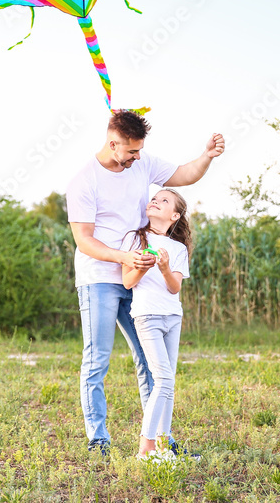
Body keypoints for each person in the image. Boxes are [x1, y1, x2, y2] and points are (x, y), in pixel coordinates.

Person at [66, 109, 224, 456]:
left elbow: (184, 174)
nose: (138, 159)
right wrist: (124, 257)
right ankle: (98, 440)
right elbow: (85, 241)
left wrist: (207, 157)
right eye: (132, 152)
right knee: (97, 360)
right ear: (113, 144)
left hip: (140, 281)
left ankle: (158, 441)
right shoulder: (84, 181)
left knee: (151, 363)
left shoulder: (141, 161)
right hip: (99, 279)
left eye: (140, 152)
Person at [121, 188, 192, 461]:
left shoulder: (177, 248)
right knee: (162, 379)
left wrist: (163, 268)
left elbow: (174, 288)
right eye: (155, 198)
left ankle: (163, 445)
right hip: (147, 316)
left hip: (172, 317)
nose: (155, 201)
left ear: (174, 215)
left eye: (164, 200)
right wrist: (143, 266)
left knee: (168, 382)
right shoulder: (134, 239)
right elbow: (128, 282)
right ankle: (145, 448)